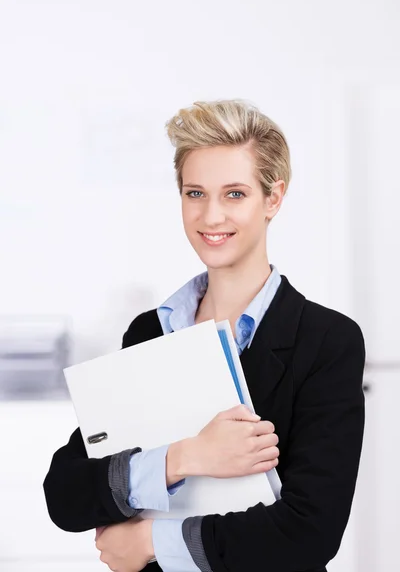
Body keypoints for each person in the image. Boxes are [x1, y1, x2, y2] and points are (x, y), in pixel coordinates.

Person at [43, 99, 366, 572]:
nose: (211, 216)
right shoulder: (150, 331)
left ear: (273, 198)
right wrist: (185, 456)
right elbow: (67, 492)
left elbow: (309, 533)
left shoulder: (327, 341)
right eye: (195, 193)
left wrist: (151, 540)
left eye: (234, 194)